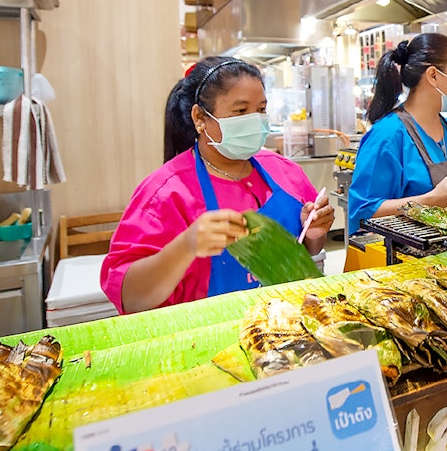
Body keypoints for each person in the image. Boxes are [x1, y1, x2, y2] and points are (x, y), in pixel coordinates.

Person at [101, 57, 334, 313]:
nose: (255, 121)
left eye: (261, 110)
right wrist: (186, 246)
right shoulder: (165, 193)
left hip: (285, 324)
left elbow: (309, 249)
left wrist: (315, 233)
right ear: (200, 117)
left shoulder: (284, 171)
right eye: (241, 111)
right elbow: (130, 298)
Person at [348, 33, 447, 233]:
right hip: (405, 258)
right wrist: (432, 200)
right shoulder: (387, 136)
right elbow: (362, 211)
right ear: (433, 75)